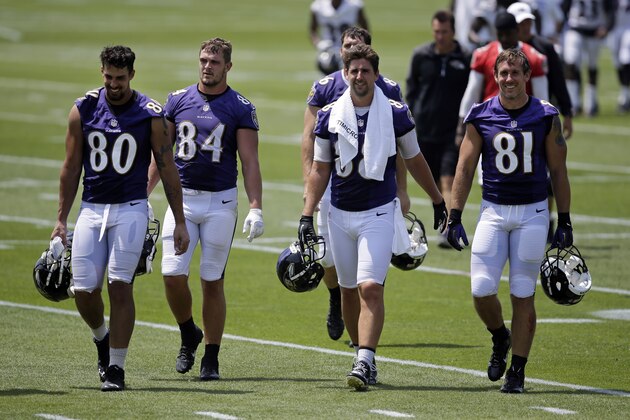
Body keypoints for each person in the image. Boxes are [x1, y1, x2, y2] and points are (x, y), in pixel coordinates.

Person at [300, 44, 448, 390]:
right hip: (339, 213)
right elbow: (320, 169)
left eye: (366, 70)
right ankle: (361, 354)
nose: (359, 76)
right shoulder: (330, 115)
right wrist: (308, 213)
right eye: (354, 70)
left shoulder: (395, 112)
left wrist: (437, 199)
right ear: (345, 73)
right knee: (348, 292)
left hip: (378, 212)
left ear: (376, 74)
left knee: (370, 288)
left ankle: (365, 360)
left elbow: (414, 158)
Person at [51, 45, 190, 391]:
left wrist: (180, 219)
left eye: (121, 78)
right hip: (92, 207)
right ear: (102, 72)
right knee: (83, 289)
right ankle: (102, 338)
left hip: (130, 207)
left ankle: (116, 367)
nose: (114, 84)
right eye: (109, 77)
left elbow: (168, 167)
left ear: (132, 75)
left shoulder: (149, 113)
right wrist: (60, 220)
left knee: (119, 285)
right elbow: (70, 169)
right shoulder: (82, 109)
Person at [447, 48, 574, 393]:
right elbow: (465, 167)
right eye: (502, 73)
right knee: (481, 289)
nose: (508, 79)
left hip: (533, 213)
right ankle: (499, 336)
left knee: (522, 293)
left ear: (527, 76)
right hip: (493, 210)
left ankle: (517, 371)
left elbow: (559, 171)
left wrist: (564, 220)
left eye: (515, 73)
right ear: (495, 76)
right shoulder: (480, 114)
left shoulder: (545, 116)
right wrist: (455, 214)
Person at [147, 38, 263, 381]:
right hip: (180, 200)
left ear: (228, 65)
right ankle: (188, 332)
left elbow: (250, 161)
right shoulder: (178, 100)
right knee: (171, 274)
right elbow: (161, 154)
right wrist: (142, 195)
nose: (207, 66)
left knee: (212, 280)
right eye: (203, 60)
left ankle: (211, 357)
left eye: (214, 61)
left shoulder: (240, 106)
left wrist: (255, 206)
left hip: (219, 203)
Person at [302, 26, 407, 343]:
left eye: (358, 46)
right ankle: (336, 298)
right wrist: (309, 189)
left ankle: (364, 342)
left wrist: (402, 190)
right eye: (347, 46)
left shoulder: (386, 88)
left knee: (370, 275)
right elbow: (310, 140)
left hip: (375, 192)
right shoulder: (324, 87)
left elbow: (400, 147)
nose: (351, 50)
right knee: (329, 260)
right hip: (333, 187)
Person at [406, 10, 471, 248]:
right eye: (436, 31)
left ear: (453, 31)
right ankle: (444, 214)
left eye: (444, 32)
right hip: (424, 130)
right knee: (432, 180)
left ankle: (447, 230)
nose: (440, 36)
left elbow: (472, 94)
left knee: (448, 178)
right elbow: (411, 90)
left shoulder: (465, 58)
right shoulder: (421, 55)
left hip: (452, 131)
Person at [561, 0, 615, 116]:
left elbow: (610, 9)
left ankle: (591, 103)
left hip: (594, 31)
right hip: (575, 29)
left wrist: (606, 27)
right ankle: (573, 103)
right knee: (571, 63)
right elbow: (564, 8)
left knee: (592, 67)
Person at [309, 0, 369, 74]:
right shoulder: (318, 6)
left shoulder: (354, 5)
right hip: (327, 50)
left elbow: (365, 30)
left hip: (349, 49)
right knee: (327, 79)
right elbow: (313, 31)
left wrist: (359, 45)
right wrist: (319, 44)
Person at [609, 0, 630, 112]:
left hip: (628, 27)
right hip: (614, 28)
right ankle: (625, 92)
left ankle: (624, 96)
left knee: (626, 59)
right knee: (617, 62)